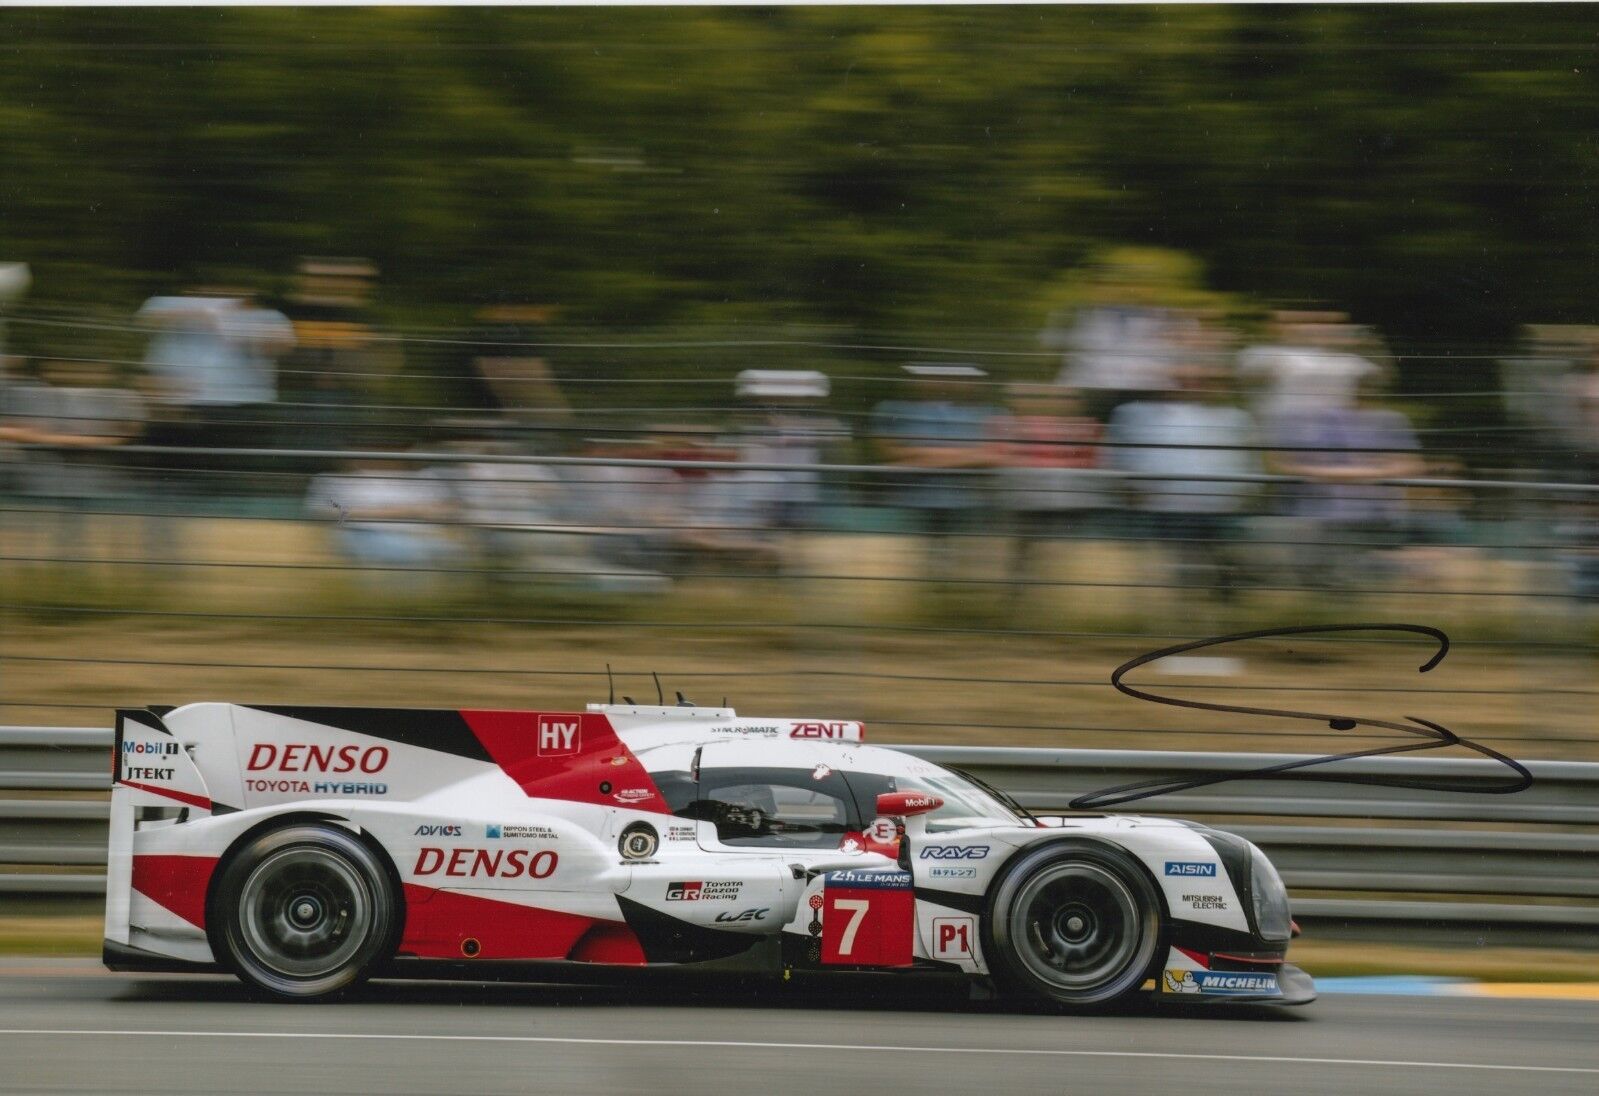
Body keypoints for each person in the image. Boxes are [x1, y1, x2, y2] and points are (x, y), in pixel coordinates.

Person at [1106, 364, 1261, 602]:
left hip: (1216, 506)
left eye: (1200, 380)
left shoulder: (1234, 418)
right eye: (1181, 380)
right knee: (1186, 555)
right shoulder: (1139, 415)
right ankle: (1194, 595)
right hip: (1167, 506)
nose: (1191, 385)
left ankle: (1211, 589)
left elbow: (1246, 464)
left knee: (1205, 552)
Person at [1267, 371, 1424, 589]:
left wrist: (1345, 474)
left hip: (1374, 514)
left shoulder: (1390, 421)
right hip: (1325, 513)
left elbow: (1410, 465)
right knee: (1320, 568)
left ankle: (1412, 569)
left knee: (1345, 570)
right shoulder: (1324, 421)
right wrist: (1368, 471)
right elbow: (1285, 463)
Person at [870, 363, 1000, 577]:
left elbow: (991, 455)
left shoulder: (989, 414)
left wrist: (920, 457)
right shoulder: (893, 411)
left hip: (966, 503)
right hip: (912, 503)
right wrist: (964, 456)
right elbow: (889, 451)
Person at [989, 383, 1103, 590]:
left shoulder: (1085, 426)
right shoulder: (1007, 423)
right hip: (1027, 500)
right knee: (1023, 550)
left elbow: (1090, 460)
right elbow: (1004, 456)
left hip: (1062, 502)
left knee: (1053, 555)